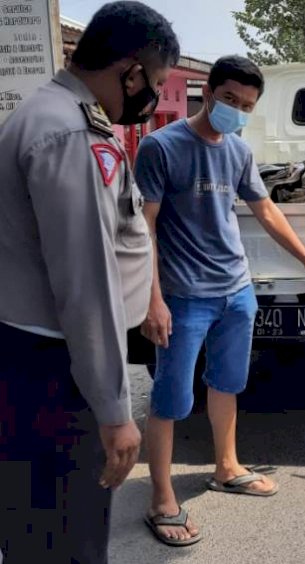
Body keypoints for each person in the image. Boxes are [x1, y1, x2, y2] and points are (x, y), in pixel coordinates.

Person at [135, 55, 305, 547]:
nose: (236, 110)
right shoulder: (160, 147)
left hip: (236, 290)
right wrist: (152, 300)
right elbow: (142, 226)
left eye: (246, 105)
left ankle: (226, 467)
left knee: (227, 383)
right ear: (207, 92)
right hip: (184, 297)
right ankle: (161, 497)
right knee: (171, 398)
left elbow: (264, 208)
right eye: (230, 99)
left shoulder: (237, 150)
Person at [0, 2, 179, 562]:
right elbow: (87, 285)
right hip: (54, 372)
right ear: (129, 70)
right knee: (66, 535)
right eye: (154, 84)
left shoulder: (50, 114)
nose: (150, 101)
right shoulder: (72, 135)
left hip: (37, 360)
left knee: (34, 527)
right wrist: (114, 412)